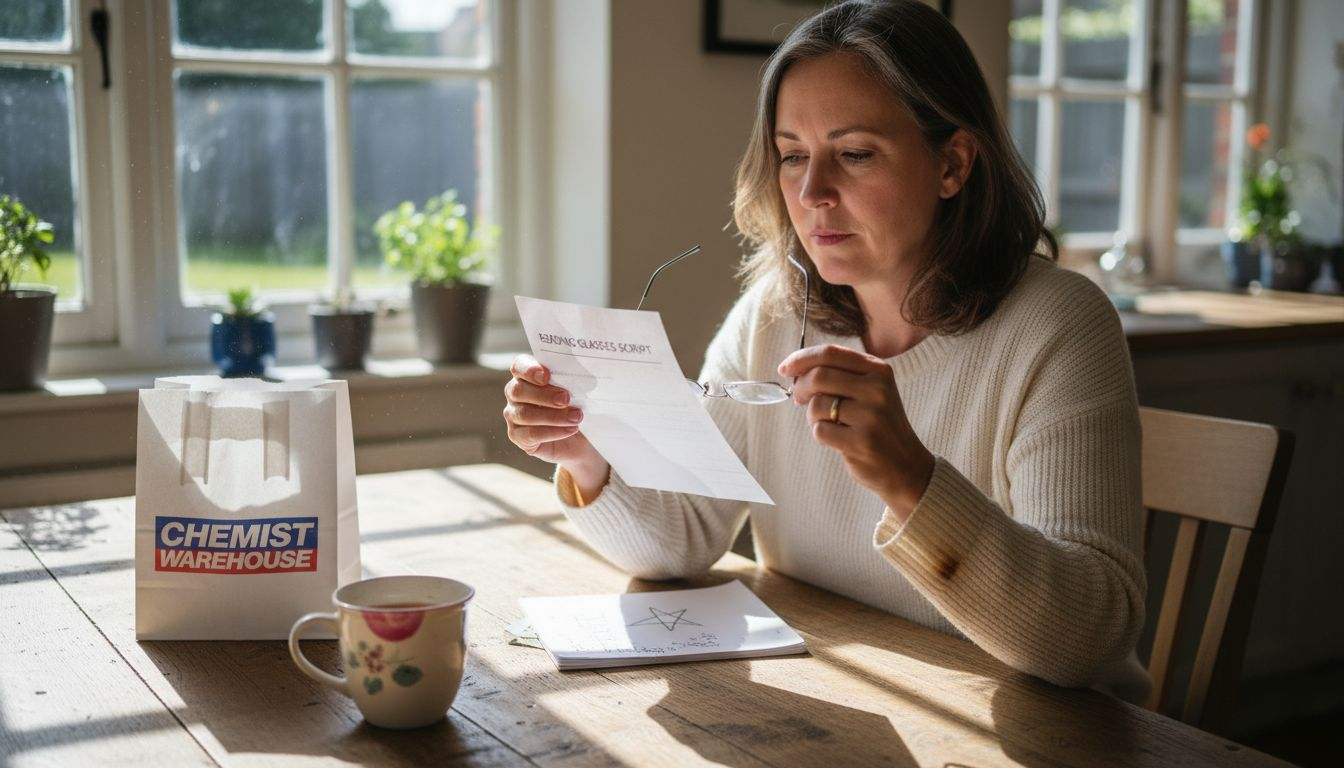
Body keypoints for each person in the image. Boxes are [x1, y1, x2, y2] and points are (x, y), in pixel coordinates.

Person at [502, 0, 1149, 699]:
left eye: (855, 154)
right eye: (792, 156)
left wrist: (912, 480)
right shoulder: (775, 313)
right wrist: (585, 454)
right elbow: (682, 538)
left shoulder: (1058, 324)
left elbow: (1088, 638)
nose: (812, 193)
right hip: (850, 698)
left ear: (953, 164)